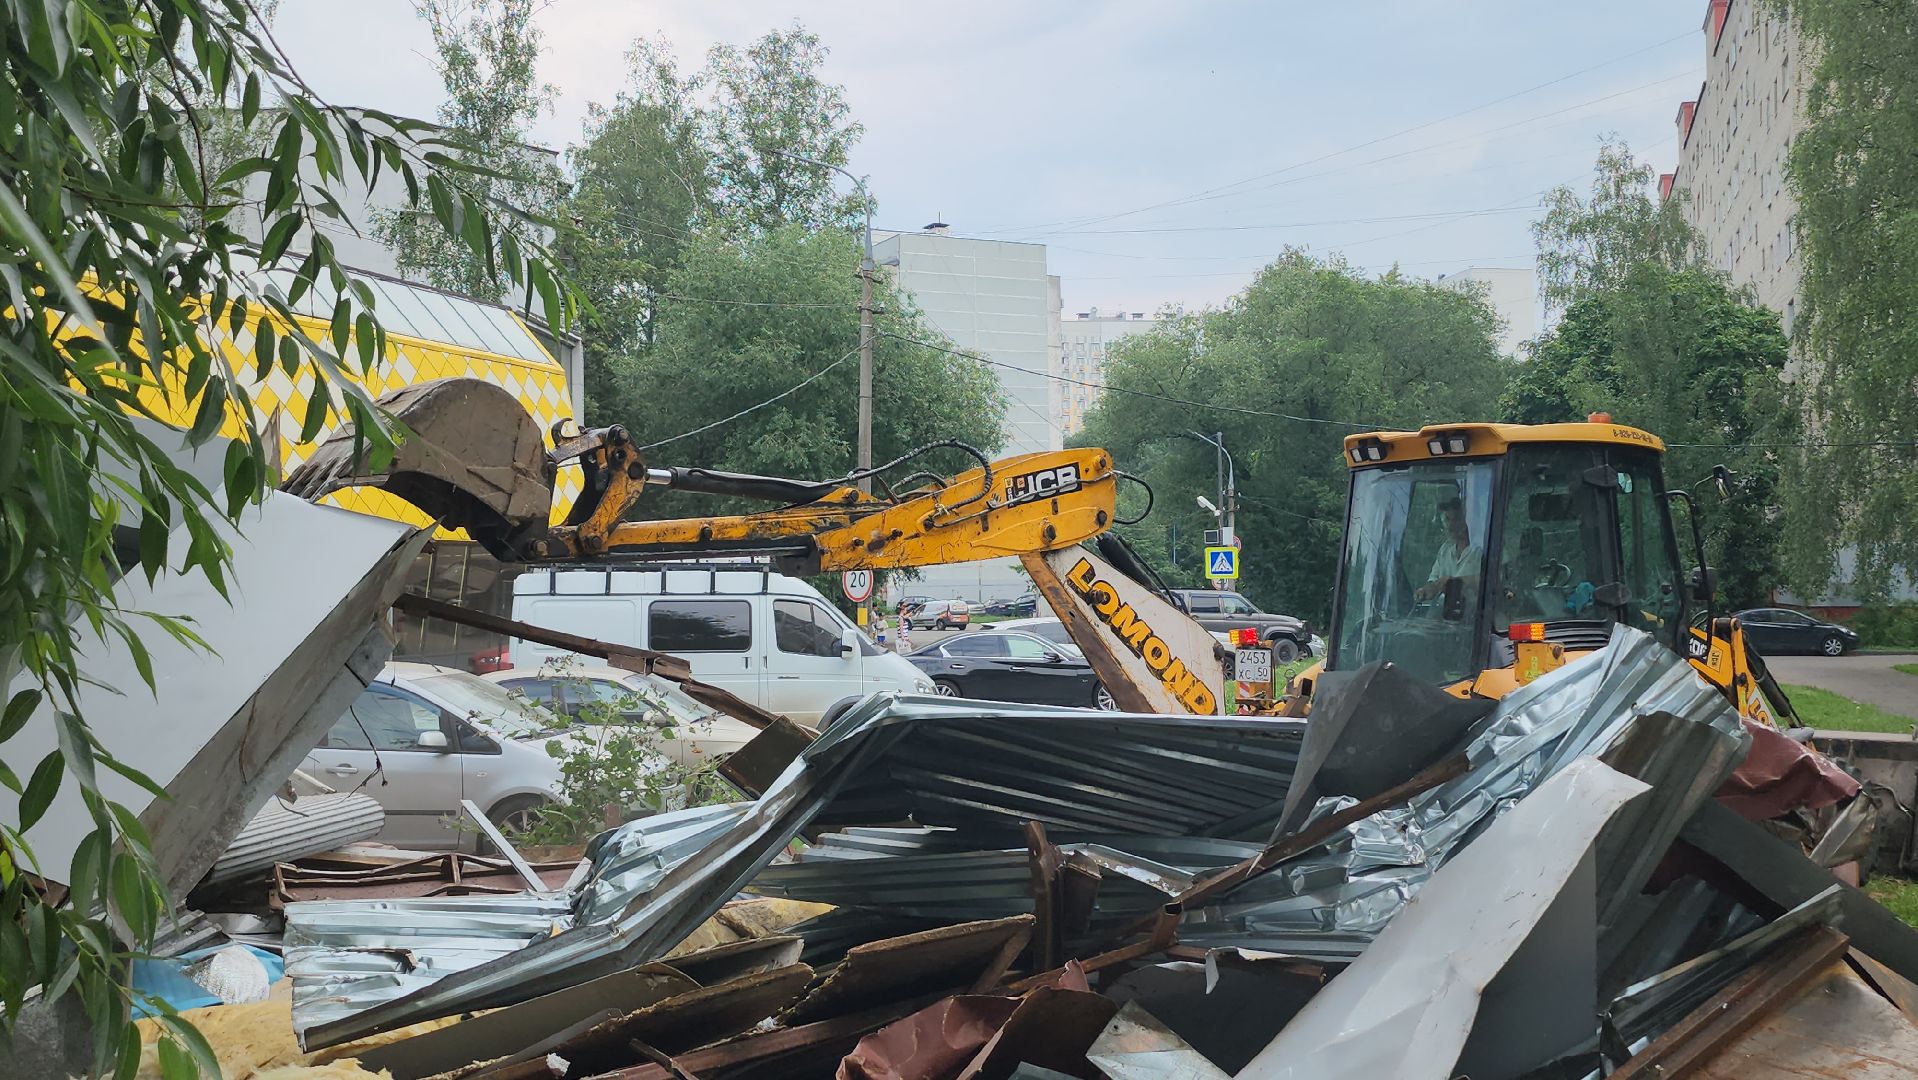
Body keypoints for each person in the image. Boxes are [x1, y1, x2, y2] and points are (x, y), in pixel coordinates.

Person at [1416, 497, 1482, 604]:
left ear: (1471, 520)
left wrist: (1456, 583)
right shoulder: (1445, 550)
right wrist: (1427, 590)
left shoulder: (1485, 549)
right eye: (1447, 519)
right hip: (1444, 612)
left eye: (1456, 519)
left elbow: (1497, 582)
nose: (1450, 525)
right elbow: (1433, 580)